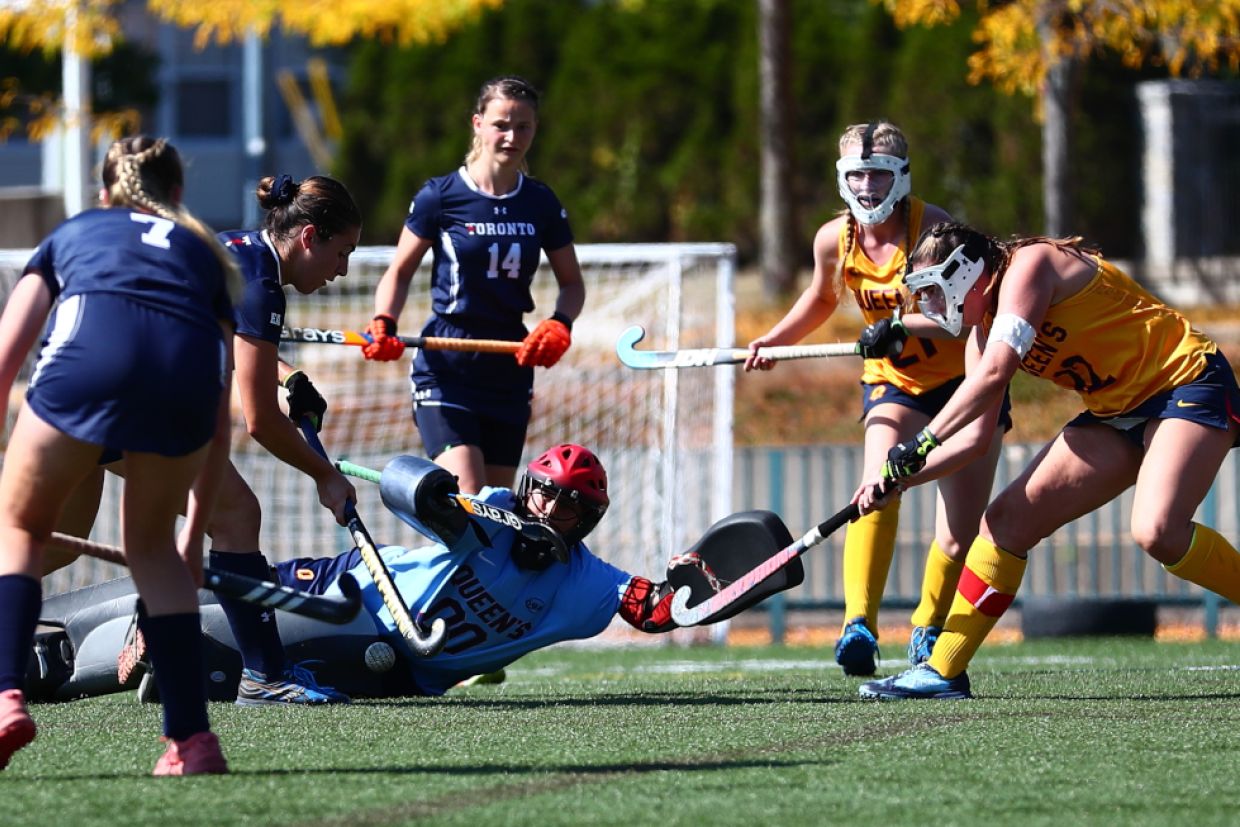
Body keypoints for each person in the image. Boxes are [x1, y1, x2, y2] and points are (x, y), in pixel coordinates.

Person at [33, 444, 800, 700]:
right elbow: (412, 487)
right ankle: (37, 646)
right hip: (339, 580)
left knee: (183, 630)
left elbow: (660, 609)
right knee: (162, 586)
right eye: (543, 491)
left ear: (587, 521)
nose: (548, 508)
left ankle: (105, 658)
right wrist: (435, 487)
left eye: (567, 505)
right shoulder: (492, 510)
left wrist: (718, 585)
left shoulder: (588, 583)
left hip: (381, 652)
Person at [854, 221, 1240, 700]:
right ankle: (942, 671)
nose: (931, 308)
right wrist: (901, 479)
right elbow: (975, 439)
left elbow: (996, 372)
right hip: (1115, 411)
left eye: (934, 291)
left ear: (967, 275)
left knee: (1156, 530)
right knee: (1005, 521)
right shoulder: (980, 335)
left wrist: (922, 441)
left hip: (1185, 384)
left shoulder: (1029, 266)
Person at [54, 174, 364, 707]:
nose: (342, 271)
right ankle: (266, 675)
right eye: (341, 254)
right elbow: (261, 422)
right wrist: (326, 477)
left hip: (75, 383)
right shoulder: (260, 279)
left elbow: (235, 343)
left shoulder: (236, 247)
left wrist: (287, 375)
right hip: (127, 396)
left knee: (50, 544)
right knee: (237, 515)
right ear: (309, 236)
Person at [0, 136, 237, 775]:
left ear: (103, 193)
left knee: (17, 528)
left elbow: (4, 358)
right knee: (154, 551)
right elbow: (221, 417)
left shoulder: (77, 232)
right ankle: (192, 742)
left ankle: (4, 700)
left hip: (84, 368)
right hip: (181, 390)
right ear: (177, 195)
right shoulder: (205, 254)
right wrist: (193, 539)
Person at [744, 121, 1009, 676]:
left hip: (964, 380)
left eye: (879, 173)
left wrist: (899, 323)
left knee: (959, 535)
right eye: (857, 174)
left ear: (903, 176)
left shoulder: (935, 230)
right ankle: (858, 625)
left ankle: (927, 626)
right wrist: (775, 339)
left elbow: (963, 317)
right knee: (876, 483)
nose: (868, 185)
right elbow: (821, 297)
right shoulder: (832, 239)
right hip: (895, 382)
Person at [360, 75, 586, 495]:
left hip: (509, 364)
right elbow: (399, 272)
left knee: (495, 513)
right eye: (501, 124)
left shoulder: (541, 202)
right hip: (448, 361)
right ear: (478, 124)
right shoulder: (441, 196)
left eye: (523, 126)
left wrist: (560, 323)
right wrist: (383, 320)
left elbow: (572, 283)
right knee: (468, 504)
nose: (511, 136)